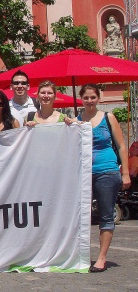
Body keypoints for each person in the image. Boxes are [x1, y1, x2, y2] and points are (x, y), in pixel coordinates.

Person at [72, 84, 130, 272]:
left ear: (98, 98)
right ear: (81, 99)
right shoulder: (77, 120)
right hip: (84, 173)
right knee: (80, 215)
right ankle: (80, 255)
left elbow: (121, 146)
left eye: (93, 97)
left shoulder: (108, 117)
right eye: (86, 98)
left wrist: (126, 173)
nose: (89, 101)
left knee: (106, 214)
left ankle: (102, 257)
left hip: (107, 171)